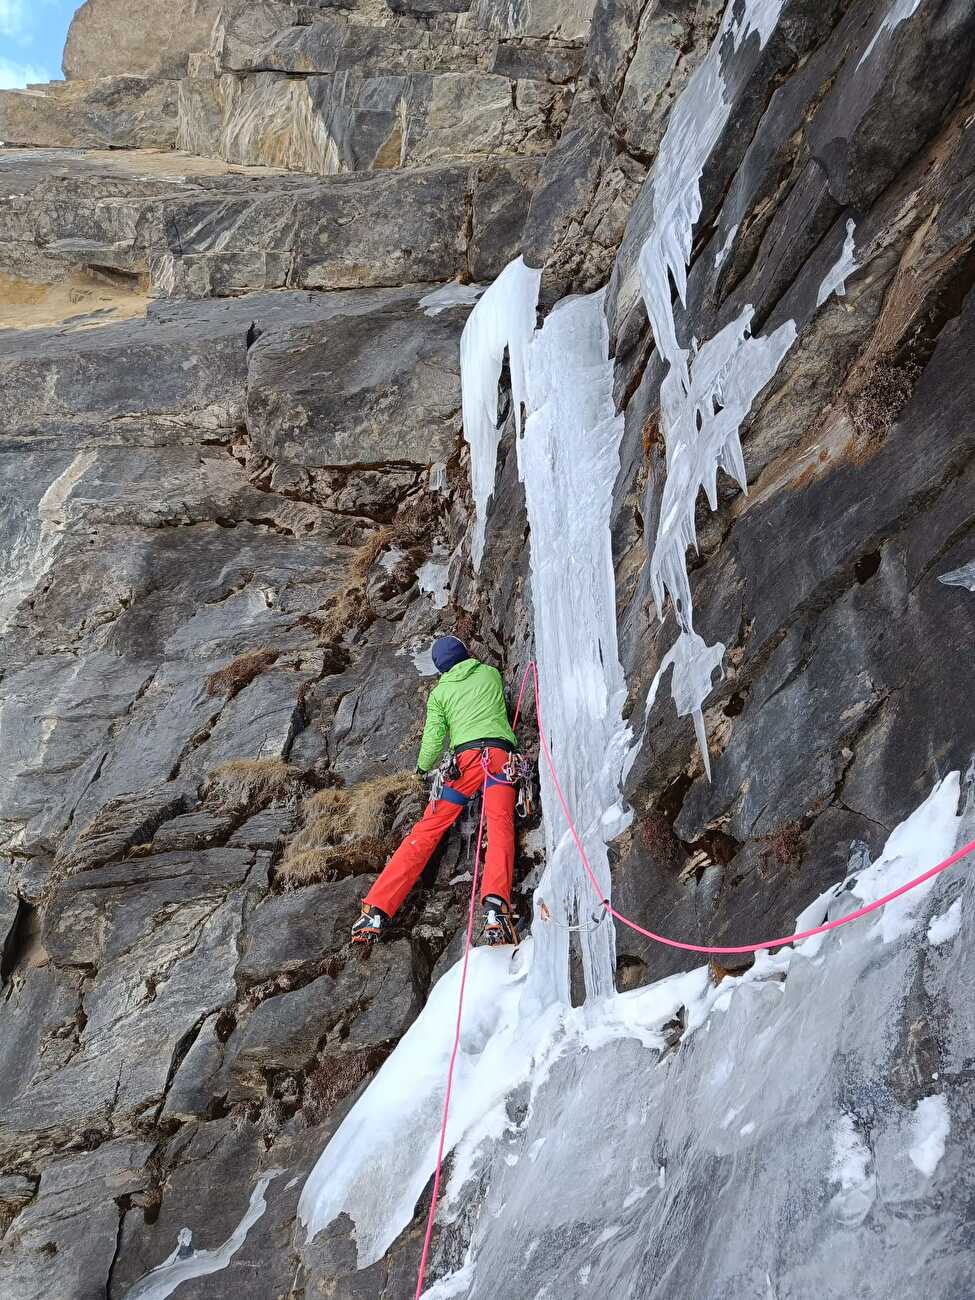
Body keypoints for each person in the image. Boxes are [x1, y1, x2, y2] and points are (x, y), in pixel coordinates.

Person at [351, 635, 520, 947]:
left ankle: (375, 909)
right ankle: (496, 910)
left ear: (441, 668)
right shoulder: (490, 674)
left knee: (427, 832)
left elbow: (432, 741)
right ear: (466, 653)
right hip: (499, 760)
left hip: (463, 764)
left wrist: (420, 769)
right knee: (500, 827)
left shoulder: (440, 693)